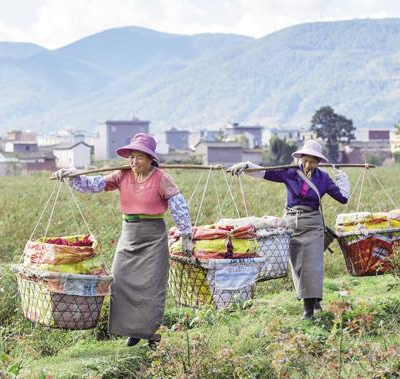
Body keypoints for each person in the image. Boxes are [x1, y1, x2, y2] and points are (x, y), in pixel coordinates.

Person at [53, 133, 193, 347]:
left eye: (139, 157)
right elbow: (94, 185)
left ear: (150, 159)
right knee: (120, 281)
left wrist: (186, 236)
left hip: (153, 236)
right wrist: (73, 177)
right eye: (132, 157)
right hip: (129, 234)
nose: (134, 162)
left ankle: (151, 334)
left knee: (152, 285)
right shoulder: (121, 175)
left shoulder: (161, 178)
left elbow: (179, 206)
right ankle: (132, 330)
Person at [226, 140, 351, 320]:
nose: (308, 165)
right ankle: (312, 299)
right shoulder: (290, 172)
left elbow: (342, 198)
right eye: (305, 160)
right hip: (292, 223)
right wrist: (246, 166)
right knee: (298, 265)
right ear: (301, 158)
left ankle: (308, 309)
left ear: (318, 162)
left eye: (312, 161)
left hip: (313, 224)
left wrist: (342, 178)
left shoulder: (323, 178)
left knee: (312, 265)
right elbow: (266, 172)